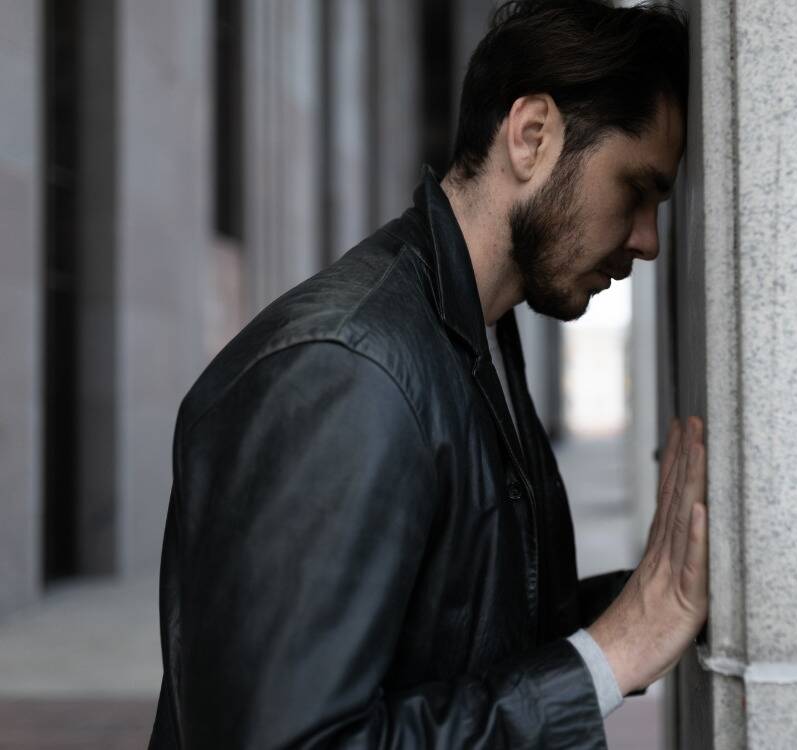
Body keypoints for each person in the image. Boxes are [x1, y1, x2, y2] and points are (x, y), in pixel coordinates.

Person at [149, 1, 706, 747]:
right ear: (532, 136)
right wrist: (612, 654)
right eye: (635, 189)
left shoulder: (477, 338)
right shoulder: (343, 372)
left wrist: (665, 595)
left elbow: (468, 632)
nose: (647, 242)